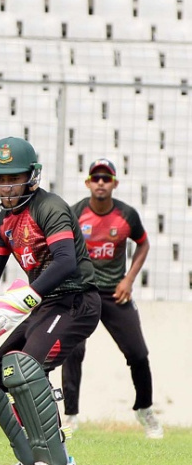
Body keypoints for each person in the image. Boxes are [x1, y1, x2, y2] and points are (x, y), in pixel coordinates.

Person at [0, 137, 101, 465]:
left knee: (25, 369)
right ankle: (28, 459)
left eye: (12, 177)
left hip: (76, 301)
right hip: (46, 305)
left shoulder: (48, 207)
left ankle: (59, 462)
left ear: (32, 176)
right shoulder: (3, 223)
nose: (5, 186)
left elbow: (66, 262)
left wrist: (24, 298)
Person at [60, 158, 163, 439]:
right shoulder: (76, 212)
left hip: (115, 294)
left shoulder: (127, 215)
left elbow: (143, 244)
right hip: (82, 292)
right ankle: (70, 416)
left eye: (107, 178)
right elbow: (60, 247)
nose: (101, 183)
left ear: (115, 183)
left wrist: (129, 279)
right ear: (88, 183)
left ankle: (145, 410)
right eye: (96, 178)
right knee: (73, 351)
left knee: (138, 353)